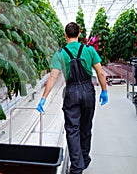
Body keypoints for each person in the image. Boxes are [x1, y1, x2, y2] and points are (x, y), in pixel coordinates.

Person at [36, 22, 108, 174]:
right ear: (79, 34)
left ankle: (77, 166)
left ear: (65, 35)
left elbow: (53, 78)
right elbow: (100, 73)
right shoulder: (89, 50)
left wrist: (43, 98)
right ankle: (85, 158)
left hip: (72, 92)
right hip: (88, 91)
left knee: (72, 129)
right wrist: (104, 90)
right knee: (86, 127)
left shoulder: (60, 54)